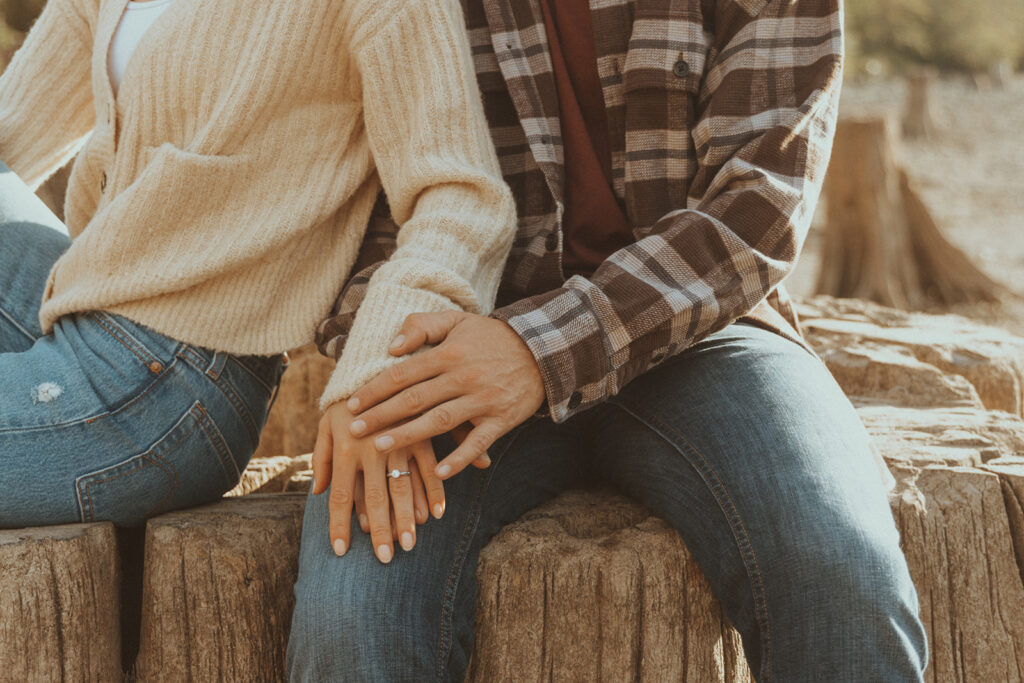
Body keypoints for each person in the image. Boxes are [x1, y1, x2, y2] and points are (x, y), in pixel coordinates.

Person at [288, 0, 929, 680]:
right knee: (351, 617)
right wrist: (369, 364)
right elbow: (352, 205)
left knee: (839, 568)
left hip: (704, 331)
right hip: (459, 339)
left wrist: (540, 350)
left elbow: (756, 208)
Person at [0, 0, 515, 529]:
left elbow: (459, 195)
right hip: (87, 297)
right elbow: (10, 129)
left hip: (173, 380)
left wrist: (375, 375)